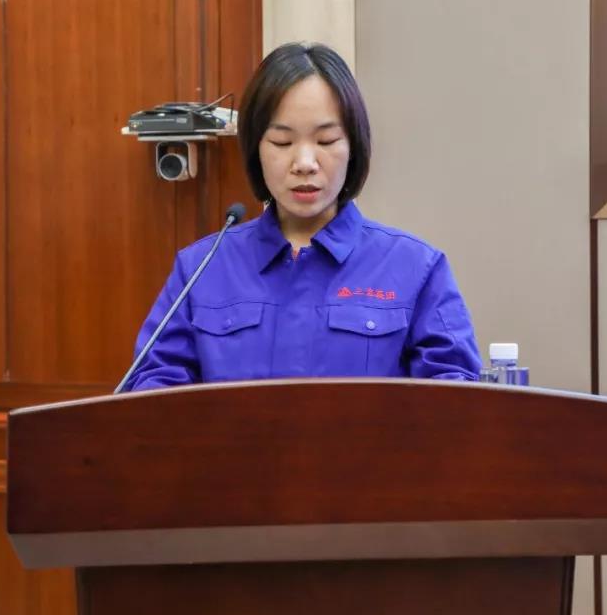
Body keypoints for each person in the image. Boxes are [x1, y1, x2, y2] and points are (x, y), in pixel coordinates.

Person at [121, 42, 481, 390]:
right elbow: (154, 394)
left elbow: (454, 400)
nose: (305, 163)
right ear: (255, 150)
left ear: (353, 146)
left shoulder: (416, 267)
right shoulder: (201, 268)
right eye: (282, 142)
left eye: (326, 141)